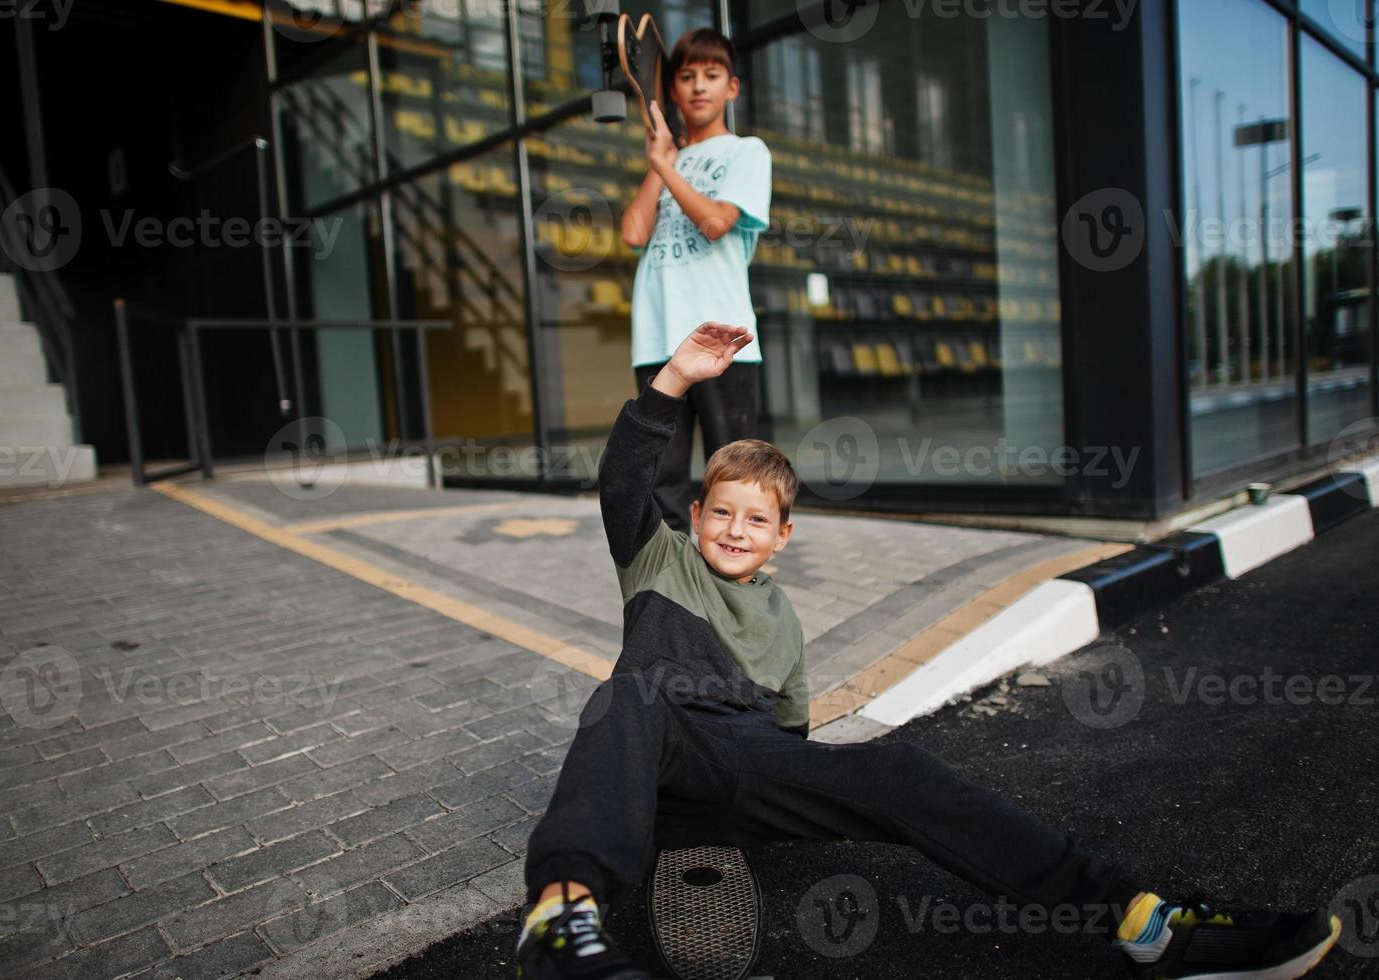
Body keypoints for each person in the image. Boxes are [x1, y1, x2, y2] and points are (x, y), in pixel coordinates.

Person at [513, 322, 1342, 980]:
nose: (735, 531)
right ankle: (560, 920)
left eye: (755, 520)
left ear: (782, 538)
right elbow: (623, 476)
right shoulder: (657, 560)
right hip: (656, 741)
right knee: (627, 696)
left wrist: (829, 801)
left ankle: (1147, 924)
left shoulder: (783, 622)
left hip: (743, 765)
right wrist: (674, 382)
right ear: (694, 518)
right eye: (720, 514)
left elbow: (791, 738)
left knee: (901, 771)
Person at [620, 27, 770, 535]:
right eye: (686, 77)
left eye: (711, 75)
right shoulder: (667, 163)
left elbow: (715, 223)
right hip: (659, 340)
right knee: (662, 478)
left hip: (722, 340)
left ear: (732, 88)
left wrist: (667, 164)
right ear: (674, 91)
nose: (698, 86)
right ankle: (678, 596)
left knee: (734, 475)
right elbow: (632, 233)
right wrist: (660, 163)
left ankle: (734, 587)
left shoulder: (746, 152)